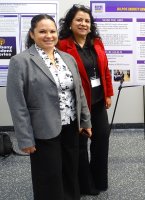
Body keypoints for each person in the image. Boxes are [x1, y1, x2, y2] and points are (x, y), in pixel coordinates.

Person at [6, 14, 92, 200]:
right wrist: (25, 138)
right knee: (48, 175)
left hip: (70, 125)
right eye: (42, 31)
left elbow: (79, 92)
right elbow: (17, 103)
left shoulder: (68, 58)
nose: (49, 35)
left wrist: (85, 120)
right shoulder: (20, 62)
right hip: (42, 128)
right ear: (32, 34)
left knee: (70, 170)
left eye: (52, 31)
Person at [57, 4, 113, 195]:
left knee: (101, 139)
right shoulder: (62, 45)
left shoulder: (96, 42)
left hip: (97, 102)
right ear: (70, 24)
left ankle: (99, 180)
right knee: (79, 146)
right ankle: (83, 184)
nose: (83, 23)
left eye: (87, 20)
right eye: (79, 20)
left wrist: (108, 93)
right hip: (77, 104)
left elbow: (105, 69)